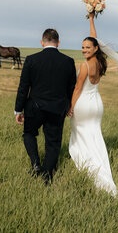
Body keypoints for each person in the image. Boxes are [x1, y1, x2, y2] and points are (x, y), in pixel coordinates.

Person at [67, 12, 118, 198]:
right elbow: (95, 39)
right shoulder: (100, 61)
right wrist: (91, 19)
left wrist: (71, 107)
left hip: (84, 104)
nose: (84, 50)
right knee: (94, 134)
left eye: (87, 47)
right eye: (82, 47)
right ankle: (99, 160)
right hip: (97, 104)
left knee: (80, 133)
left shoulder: (85, 65)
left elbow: (77, 88)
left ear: (95, 48)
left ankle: (89, 164)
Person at [15, 29, 77, 184]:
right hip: (57, 108)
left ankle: (36, 163)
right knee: (53, 142)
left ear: (42, 42)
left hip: (34, 106)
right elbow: (72, 88)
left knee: (29, 134)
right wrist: (69, 106)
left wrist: (18, 109)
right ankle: (47, 176)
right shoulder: (68, 61)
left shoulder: (31, 59)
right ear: (58, 42)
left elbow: (23, 87)